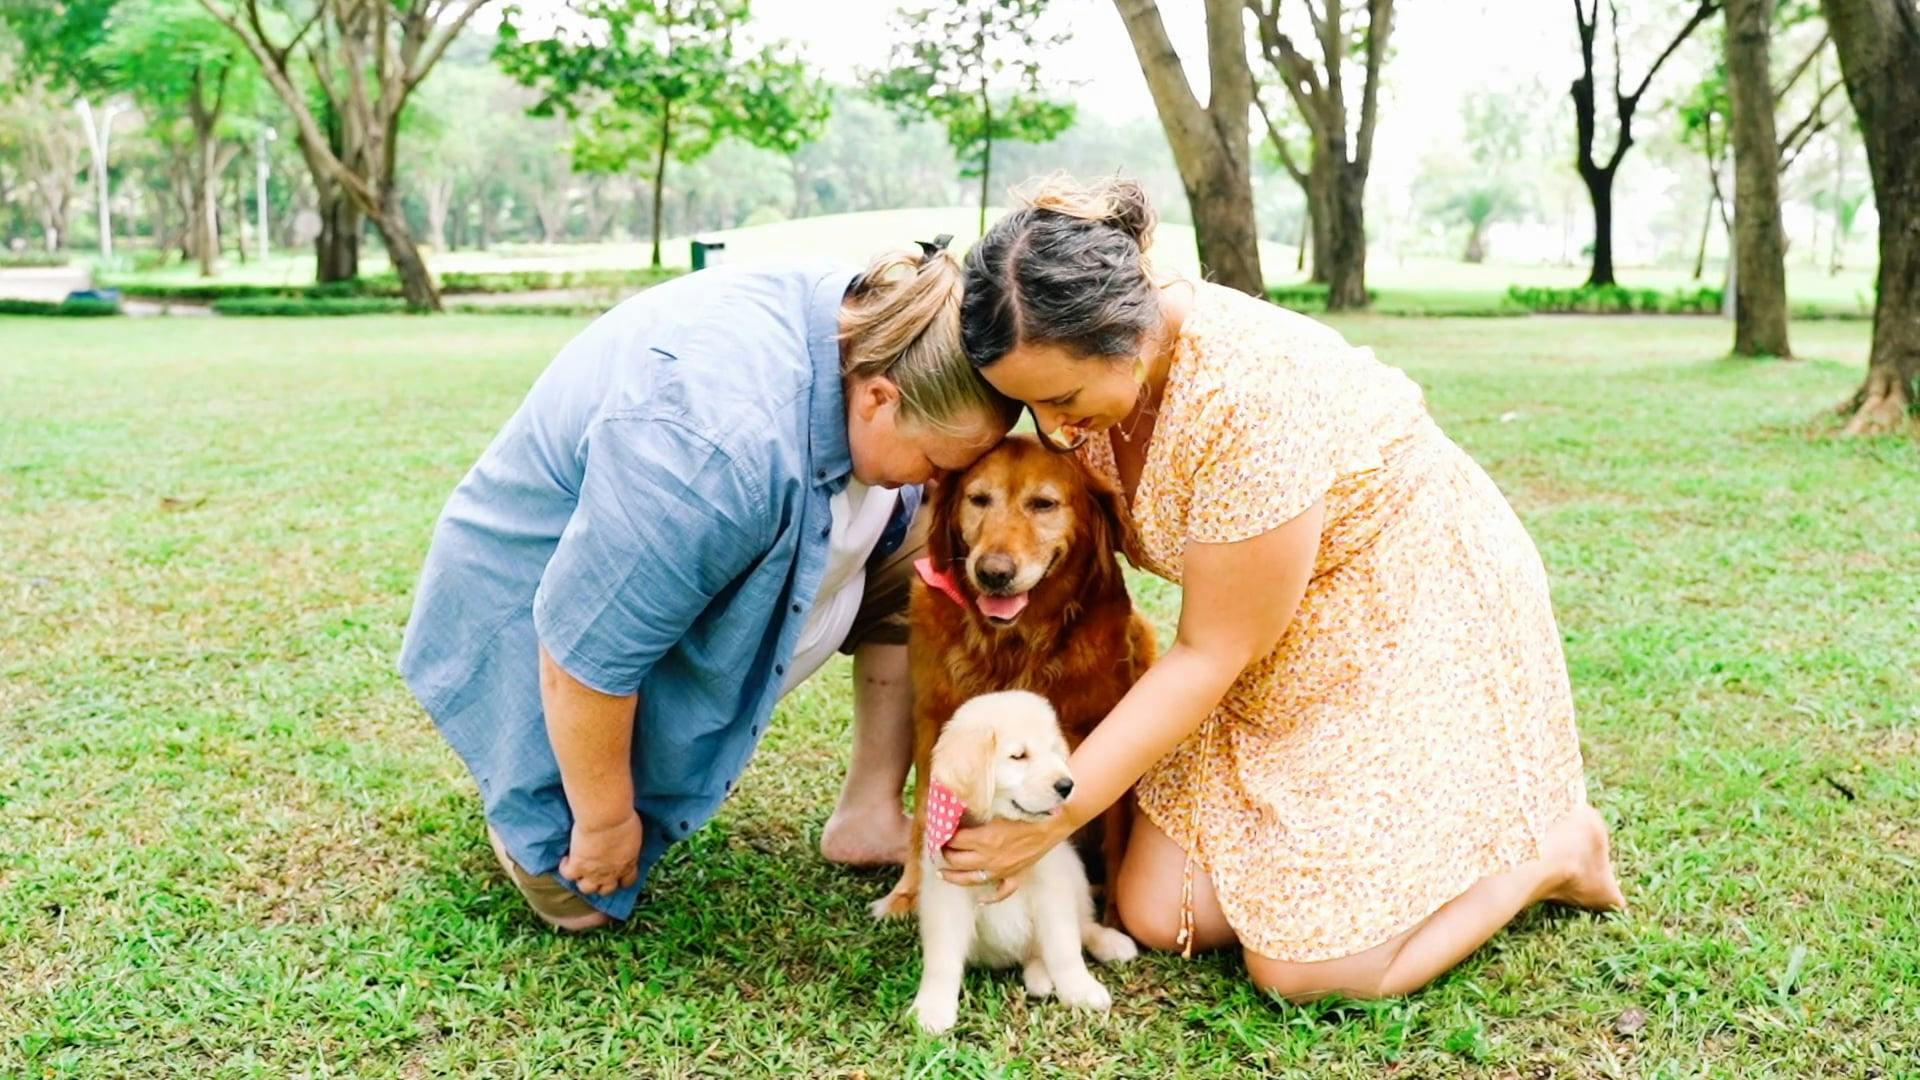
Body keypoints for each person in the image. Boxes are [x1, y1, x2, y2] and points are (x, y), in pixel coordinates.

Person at [938, 177, 1625, 1000]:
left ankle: (1558, 852)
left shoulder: (1252, 400)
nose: (1054, 429)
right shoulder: (1094, 390)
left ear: (1128, 336)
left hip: (1405, 607)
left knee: (1305, 970)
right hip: (1270, 630)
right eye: (1030, 406)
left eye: (1062, 400)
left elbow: (1208, 651)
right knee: (1158, 914)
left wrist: (1055, 817)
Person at [399, 243, 1015, 930]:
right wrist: (604, 825)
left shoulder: (865, 326)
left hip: (722, 522)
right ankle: (529, 790)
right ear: (878, 398)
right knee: (581, 902)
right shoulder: (713, 450)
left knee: (932, 542)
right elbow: (585, 649)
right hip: (531, 610)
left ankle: (868, 810)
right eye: (933, 460)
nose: (933, 481)